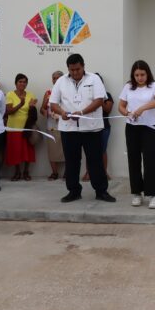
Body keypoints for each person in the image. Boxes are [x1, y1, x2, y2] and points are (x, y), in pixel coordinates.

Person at [49, 54, 115, 203]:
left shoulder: (94, 79)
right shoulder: (61, 81)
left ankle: (101, 191)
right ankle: (73, 191)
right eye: (71, 70)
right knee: (72, 161)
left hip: (91, 128)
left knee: (95, 161)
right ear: (68, 69)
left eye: (77, 69)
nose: (75, 73)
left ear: (83, 66)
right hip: (69, 129)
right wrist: (62, 113)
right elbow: (53, 103)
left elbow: (99, 101)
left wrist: (82, 112)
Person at [119, 60, 155, 208]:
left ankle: (153, 194)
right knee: (134, 159)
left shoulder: (154, 85)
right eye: (137, 75)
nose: (140, 77)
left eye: (142, 74)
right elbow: (121, 106)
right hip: (132, 127)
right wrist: (127, 112)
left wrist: (142, 109)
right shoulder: (128, 86)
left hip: (149, 127)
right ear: (133, 75)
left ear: (147, 73)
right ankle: (136, 193)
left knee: (150, 160)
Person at [5, 73, 37, 181]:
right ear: (16, 83)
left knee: (27, 150)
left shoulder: (30, 95)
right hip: (14, 128)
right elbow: (9, 112)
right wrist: (21, 104)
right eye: (20, 81)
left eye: (24, 82)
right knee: (15, 151)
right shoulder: (10, 94)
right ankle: (17, 172)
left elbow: (33, 114)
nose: (22, 84)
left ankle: (26, 172)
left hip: (26, 128)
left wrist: (32, 107)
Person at [83, 73, 113, 182]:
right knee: (89, 151)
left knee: (102, 150)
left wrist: (98, 101)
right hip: (89, 126)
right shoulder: (86, 94)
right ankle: (88, 172)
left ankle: (104, 172)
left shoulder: (107, 95)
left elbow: (108, 109)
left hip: (104, 127)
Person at [40, 70, 65, 180]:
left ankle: (68, 173)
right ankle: (54, 173)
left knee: (67, 150)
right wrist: (45, 106)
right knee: (52, 150)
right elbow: (42, 109)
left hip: (65, 125)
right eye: (54, 78)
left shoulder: (67, 91)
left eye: (58, 78)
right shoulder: (48, 92)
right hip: (52, 125)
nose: (55, 80)